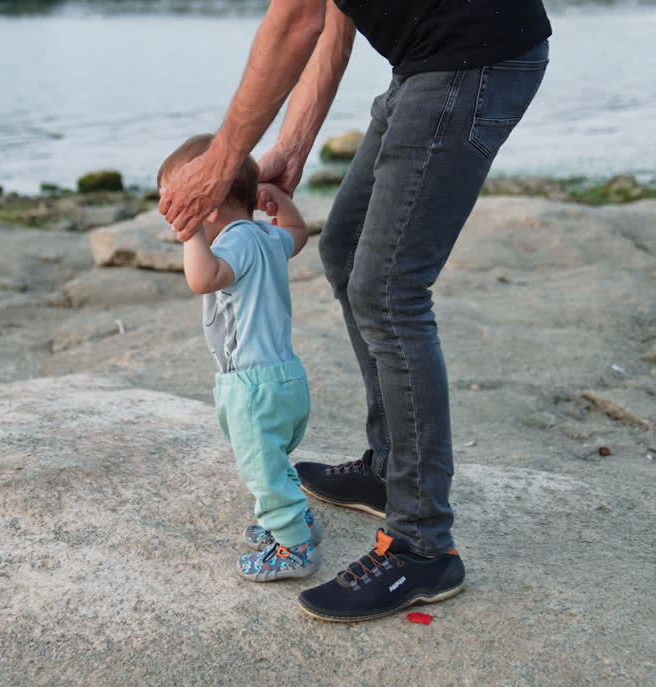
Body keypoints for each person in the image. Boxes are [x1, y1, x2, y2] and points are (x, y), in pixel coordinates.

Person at [158, 1, 551, 622]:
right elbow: (334, 15)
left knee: (389, 290)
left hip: (475, 59)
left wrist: (222, 163)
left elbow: (295, 24)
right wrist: (292, 143)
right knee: (345, 246)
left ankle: (422, 545)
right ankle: (391, 466)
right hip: (424, 64)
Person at [158, 134, 320, 582]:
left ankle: (294, 547)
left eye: (176, 204)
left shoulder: (236, 242)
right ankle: (294, 519)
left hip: (251, 385)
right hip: (284, 377)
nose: (173, 216)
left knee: (262, 469)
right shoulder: (266, 235)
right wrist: (282, 202)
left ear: (206, 205)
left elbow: (204, 278)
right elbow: (297, 234)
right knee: (274, 457)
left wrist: (189, 235)